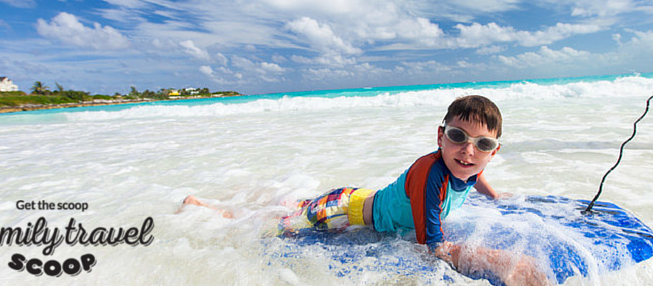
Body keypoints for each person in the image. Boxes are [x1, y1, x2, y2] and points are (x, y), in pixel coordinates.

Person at [180, 95, 551, 286]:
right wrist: (504, 262)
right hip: (342, 210)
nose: (469, 151)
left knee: (294, 206)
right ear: (440, 137)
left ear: (493, 151)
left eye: (482, 145)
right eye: (458, 137)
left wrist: (497, 196)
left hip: (358, 197)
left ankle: (257, 193)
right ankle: (209, 208)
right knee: (273, 226)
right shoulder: (431, 175)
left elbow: (475, 176)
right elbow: (434, 246)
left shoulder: (468, 164)